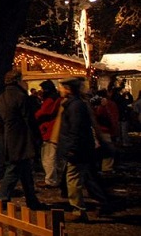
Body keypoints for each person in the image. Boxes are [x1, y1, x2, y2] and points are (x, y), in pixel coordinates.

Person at [57, 77, 115, 222]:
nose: (59, 90)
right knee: (88, 178)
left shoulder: (75, 106)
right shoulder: (75, 104)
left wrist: (71, 148)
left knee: (74, 178)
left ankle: (79, 210)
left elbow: (76, 129)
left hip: (78, 149)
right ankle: (103, 202)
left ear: (68, 89)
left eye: (61, 87)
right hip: (82, 148)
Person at [0, 70, 47, 210]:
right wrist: (36, 138)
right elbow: (29, 119)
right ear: (18, 80)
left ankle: (32, 200)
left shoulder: (1, 98)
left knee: (25, 171)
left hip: (9, 137)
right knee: (14, 168)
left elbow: (0, 121)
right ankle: (3, 198)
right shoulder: (21, 97)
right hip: (21, 138)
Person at [34, 80, 63, 188]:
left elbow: (42, 112)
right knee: (53, 156)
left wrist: (33, 117)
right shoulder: (57, 98)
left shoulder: (51, 100)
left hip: (49, 131)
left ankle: (50, 180)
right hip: (53, 130)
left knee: (48, 156)